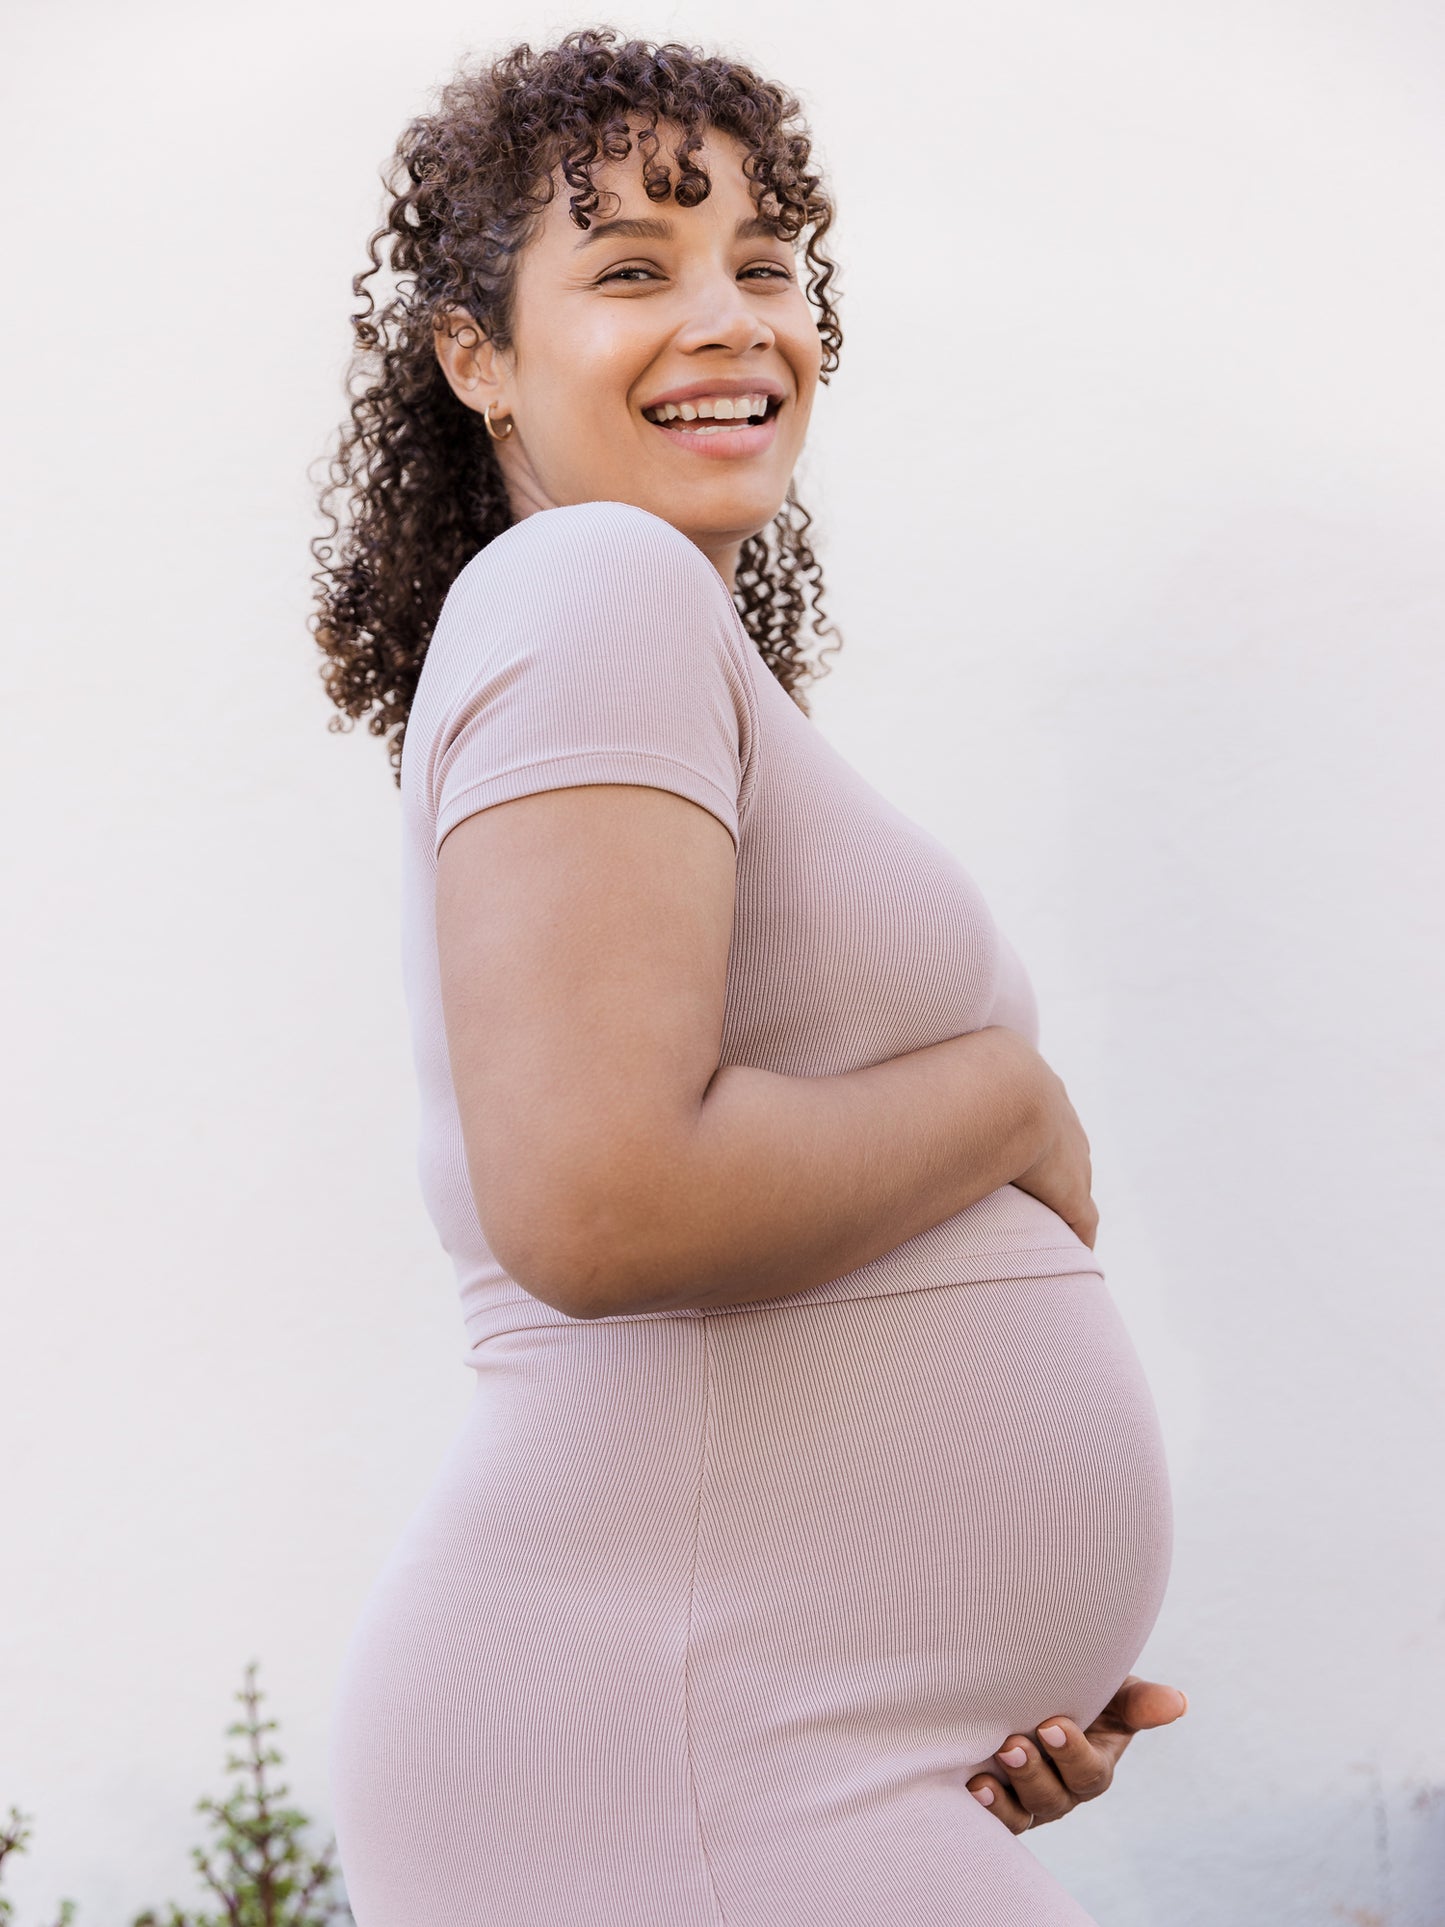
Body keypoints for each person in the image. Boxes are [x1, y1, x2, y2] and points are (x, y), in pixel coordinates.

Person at [312, 26, 1187, 1925]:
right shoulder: (588, 591)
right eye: (630, 269)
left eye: (764, 263)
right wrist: (1009, 1100)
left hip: (744, 1746)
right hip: (671, 1758)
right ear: (479, 358)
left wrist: (962, 1671)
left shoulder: (650, 632)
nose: (730, 319)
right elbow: (605, 1204)